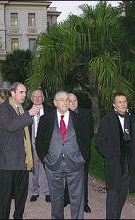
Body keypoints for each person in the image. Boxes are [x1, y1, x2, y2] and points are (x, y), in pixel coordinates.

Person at [36, 90, 85, 219]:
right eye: (62, 99)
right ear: (55, 102)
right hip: (53, 164)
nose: (65, 102)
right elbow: (39, 141)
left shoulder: (78, 119)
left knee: (77, 197)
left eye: (67, 100)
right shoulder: (46, 119)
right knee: (56, 197)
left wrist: (82, 158)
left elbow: (85, 141)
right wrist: (45, 159)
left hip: (75, 164)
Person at [0, 82, 41, 219]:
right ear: (13, 93)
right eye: (21, 92)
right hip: (8, 161)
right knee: (6, 196)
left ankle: (18, 216)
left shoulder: (21, 109)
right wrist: (29, 114)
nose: (24, 95)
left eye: (25, 92)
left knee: (21, 195)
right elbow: (10, 126)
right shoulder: (3, 109)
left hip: (23, 159)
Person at [97, 92, 135, 219]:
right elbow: (100, 142)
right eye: (120, 102)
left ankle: (117, 216)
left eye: (124, 102)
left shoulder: (132, 119)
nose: (123, 104)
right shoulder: (107, 120)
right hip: (114, 164)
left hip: (128, 164)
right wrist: (110, 155)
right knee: (112, 195)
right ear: (114, 105)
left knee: (122, 195)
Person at [64, 93, 94, 213]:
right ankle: (66, 198)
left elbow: (91, 132)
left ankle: (84, 203)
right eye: (70, 101)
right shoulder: (63, 115)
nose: (73, 103)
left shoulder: (86, 114)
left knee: (83, 178)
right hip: (68, 153)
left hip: (83, 152)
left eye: (75, 100)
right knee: (67, 176)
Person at [27, 89, 53, 203]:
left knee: (47, 167)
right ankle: (34, 192)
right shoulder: (26, 111)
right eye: (35, 97)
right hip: (32, 141)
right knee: (33, 169)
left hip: (46, 143)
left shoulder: (50, 111)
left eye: (39, 97)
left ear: (43, 98)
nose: (37, 99)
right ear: (31, 98)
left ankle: (48, 192)